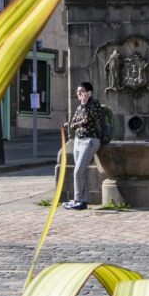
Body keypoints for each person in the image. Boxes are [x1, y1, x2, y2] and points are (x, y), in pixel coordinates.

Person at [63, 82, 104, 210]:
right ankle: (83, 201)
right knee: (82, 172)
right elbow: (72, 124)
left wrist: (85, 106)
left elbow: (88, 119)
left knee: (78, 170)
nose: (79, 94)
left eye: (81, 92)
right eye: (78, 92)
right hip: (78, 141)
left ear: (88, 92)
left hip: (90, 140)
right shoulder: (79, 107)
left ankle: (77, 200)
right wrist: (79, 123)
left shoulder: (95, 105)